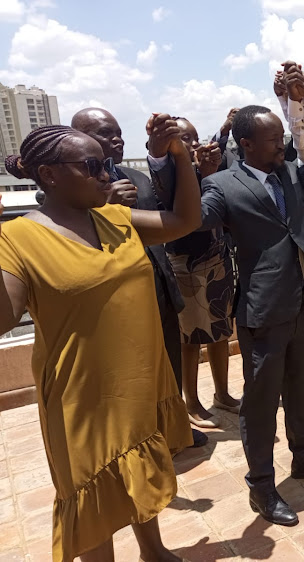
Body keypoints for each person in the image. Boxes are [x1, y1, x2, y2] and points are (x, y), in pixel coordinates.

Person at [0, 122, 199, 561]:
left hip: (136, 379)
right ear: (50, 175)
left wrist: (180, 156)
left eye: (107, 164)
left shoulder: (116, 219)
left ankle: (153, 550)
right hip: (81, 397)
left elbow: (186, 220)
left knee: (139, 466)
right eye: (94, 166)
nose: (107, 175)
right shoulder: (16, 239)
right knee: (93, 494)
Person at [196, 62, 304, 526]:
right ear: (246, 144)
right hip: (261, 312)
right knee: (262, 404)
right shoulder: (221, 185)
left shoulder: (288, 174)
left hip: (298, 303)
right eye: (272, 138)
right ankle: (261, 486)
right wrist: (183, 171)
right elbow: (194, 220)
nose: (281, 144)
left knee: (301, 388)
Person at [71, 107, 209, 449]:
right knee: (132, 377)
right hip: (113, 304)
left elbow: (177, 216)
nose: (116, 139)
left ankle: (176, 427)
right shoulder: (68, 193)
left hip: (158, 289)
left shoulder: (142, 180)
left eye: (119, 132)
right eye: (106, 133)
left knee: (169, 363)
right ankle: (142, 441)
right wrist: (104, 207)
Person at [163, 117, 239, 428]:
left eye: (194, 138)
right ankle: (190, 401)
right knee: (190, 337)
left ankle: (222, 394)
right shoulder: (168, 176)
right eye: (185, 138)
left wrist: (208, 172)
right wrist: (200, 173)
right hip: (187, 263)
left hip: (216, 257)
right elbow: (186, 213)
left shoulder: (207, 170)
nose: (193, 144)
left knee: (220, 331)